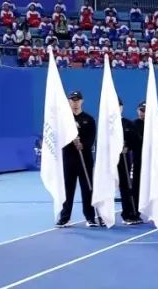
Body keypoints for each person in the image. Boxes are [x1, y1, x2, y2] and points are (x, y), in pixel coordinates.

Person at [58, 91, 98, 227]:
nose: (75, 102)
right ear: (69, 101)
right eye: (72, 100)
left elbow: (92, 137)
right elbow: (60, 137)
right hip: (69, 159)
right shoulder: (64, 120)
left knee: (87, 189)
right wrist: (71, 141)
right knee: (67, 189)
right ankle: (65, 217)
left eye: (77, 100)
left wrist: (83, 144)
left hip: (84, 159)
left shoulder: (89, 119)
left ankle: (90, 217)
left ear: (82, 101)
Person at [118, 101, 143, 225]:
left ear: (122, 107)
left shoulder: (128, 123)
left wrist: (127, 147)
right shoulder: (105, 123)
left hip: (124, 159)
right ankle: (102, 216)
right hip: (109, 161)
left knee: (126, 186)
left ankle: (128, 214)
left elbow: (136, 142)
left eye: (118, 106)